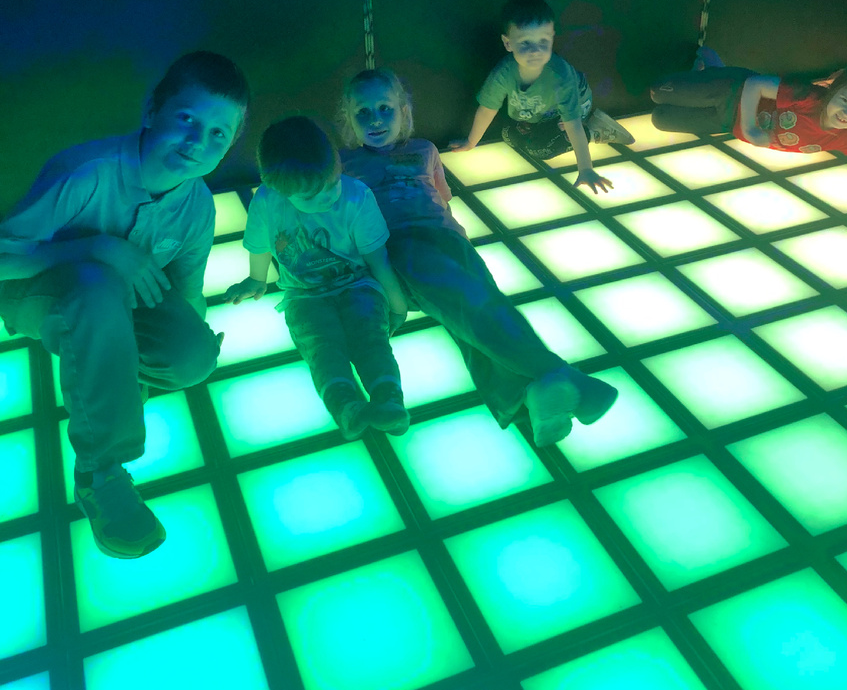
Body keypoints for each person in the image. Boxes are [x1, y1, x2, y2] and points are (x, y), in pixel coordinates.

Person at [0, 51, 250, 558]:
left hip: (117, 307)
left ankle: (110, 378)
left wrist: (191, 343)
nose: (197, 142)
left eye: (217, 134)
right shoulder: (85, 172)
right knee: (98, 283)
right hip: (39, 294)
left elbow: (186, 292)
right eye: (186, 119)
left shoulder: (198, 206)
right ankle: (101, 472)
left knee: (193, 355)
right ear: (152, 110)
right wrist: (96, 247)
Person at [338, 68, 619, 447]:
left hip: (448, 240)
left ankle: (531, 400)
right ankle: (561, 375)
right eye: (363, 112)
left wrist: (458, 242)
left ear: (403, 111)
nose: (375, 119)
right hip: (398, 246)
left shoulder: (425, 150)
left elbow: (442, 200)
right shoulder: (343, 163)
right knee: (473, 309)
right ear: (348, 118)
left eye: (385, 108)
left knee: (477, 316)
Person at [225, 115, 409, 441]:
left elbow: (377, 259)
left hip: (358, 285)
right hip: (302, 295)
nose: (327, 198)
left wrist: (397, 304)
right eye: (310, 197)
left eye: (332, 184)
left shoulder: (356, 197)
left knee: (370, 338)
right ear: (279, 189)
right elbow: (260, 246)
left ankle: (389, 401)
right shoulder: (267, 201)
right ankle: (347, 407)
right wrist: (256, 279)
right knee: (321, 347)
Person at [451, 0, 633, 190]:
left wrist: (586, 169)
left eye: (543, 42)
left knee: (540, 149)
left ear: (551, 39)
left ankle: (595, 131)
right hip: (542, 113)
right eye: (526, 43)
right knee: (509, 135)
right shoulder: (504, 73)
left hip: (572, 110)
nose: (535, 51)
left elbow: (572, 124)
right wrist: (471, 142)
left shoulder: (560, 76)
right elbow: (487, 109)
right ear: (508, 43)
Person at [650, 58, 847, 178]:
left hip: (727, 123)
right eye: (844, 101)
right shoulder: (809, 97)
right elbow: (755, 84)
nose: (846, 114)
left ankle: (708, 68)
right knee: (658, 92)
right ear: (833, 90)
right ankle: (711, 69)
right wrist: (750, 128)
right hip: (732, 90)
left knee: (660, 119)